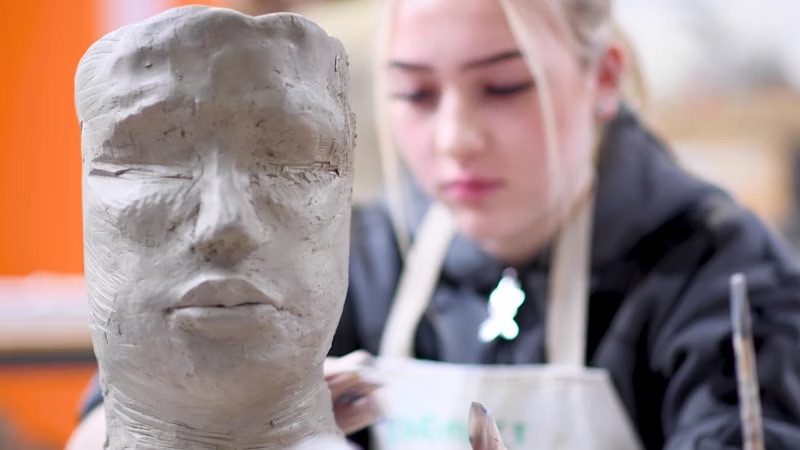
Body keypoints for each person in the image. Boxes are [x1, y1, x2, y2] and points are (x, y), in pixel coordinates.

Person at [69, 0, 800, 448]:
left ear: (604, 78)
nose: (455, 139)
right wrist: (232, 417)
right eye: (415, 94)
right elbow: (111, 423)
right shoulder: (359, 253)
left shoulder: (725, 276)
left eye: (505, 88)